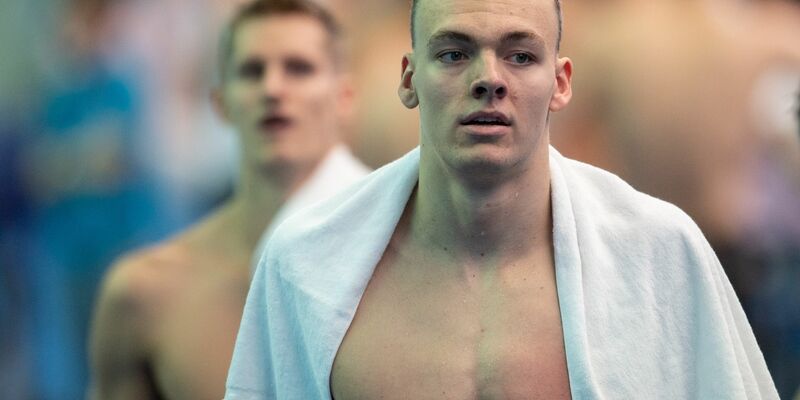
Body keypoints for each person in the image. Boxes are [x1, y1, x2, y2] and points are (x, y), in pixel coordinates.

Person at [225, 0, 777, 398]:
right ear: (409, 77)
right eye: (453, 54)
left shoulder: (660, 255)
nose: (488, 79)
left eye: (519, 56)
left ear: (561, 83)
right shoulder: (304, 264)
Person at [88, 1, 369, 398]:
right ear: (219, 102)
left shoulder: (393, 263)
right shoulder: (145, 292)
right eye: (252, 71)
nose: (273, 88)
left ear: (344, 97)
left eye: (299, 68)